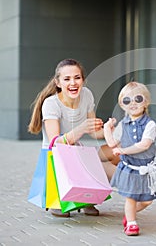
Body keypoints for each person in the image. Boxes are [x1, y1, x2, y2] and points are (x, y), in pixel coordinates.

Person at [28, 58, 119, 217]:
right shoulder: (51, 104)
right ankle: (76, 197)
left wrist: (109, 130)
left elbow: (93, 132)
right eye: (67, 79)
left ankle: (88, 197)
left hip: (77, 151)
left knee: (116, 151)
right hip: (56, 157)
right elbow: (55, 143)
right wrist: (81, 128)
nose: (73, 83)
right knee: (108, 169)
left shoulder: (87, 95)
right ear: (58, 82)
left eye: (77, 77)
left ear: (83, 79)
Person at [104, 81, 156, 236]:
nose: (132, 103)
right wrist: (107, 129)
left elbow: (144, 145)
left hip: (146, 167)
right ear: (122, 104)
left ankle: (129, 215)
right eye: (127, 100)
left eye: (138, 99)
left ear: (146, 102)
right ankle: (132, 223)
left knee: (147, 200)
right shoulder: (123, 124)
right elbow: (112, 142)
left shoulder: (150, 124)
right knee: (131, 197)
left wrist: (124, 150)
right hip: (130, 168)